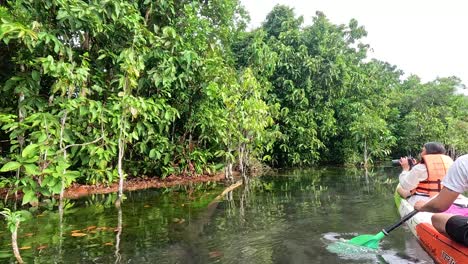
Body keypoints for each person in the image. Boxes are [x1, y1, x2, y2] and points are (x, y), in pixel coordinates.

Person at [414, 154, 468, 246]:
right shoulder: (451, 161)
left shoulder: (463, 162)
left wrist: (421, 207)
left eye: (422, 150)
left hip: (433, 199)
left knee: (436, 218)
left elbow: (439, 206)